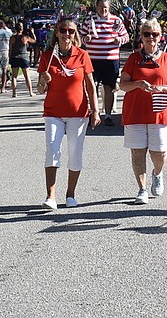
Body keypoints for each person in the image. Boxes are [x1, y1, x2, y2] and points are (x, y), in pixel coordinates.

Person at [36, 17, 101, 210]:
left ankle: (70, 194)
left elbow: (90, 85)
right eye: (63, 30)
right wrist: (43, 81)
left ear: (75, 34)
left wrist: (95, 111)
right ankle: (50, 196)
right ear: (56, 33)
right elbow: (40, 90)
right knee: (52, 151)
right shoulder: (48, 56)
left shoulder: (82, 55)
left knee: (75, 154)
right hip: (53, 112)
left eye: (71, 31)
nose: (67, 34)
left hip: (78, 113)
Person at [119, 18, 167, 204]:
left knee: (159, 152)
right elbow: (122, 85)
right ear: (141, 38)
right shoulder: (133, 59)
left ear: (160, 37)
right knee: (138, 152)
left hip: (159, 111)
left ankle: (157, 173)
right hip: (135, 112)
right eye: (147, 34)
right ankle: (142, 189)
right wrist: (137, 84)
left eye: (155, 34)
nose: (151, 38)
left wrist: (161, 88)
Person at [79, 0, 130, 126]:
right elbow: (80, 36)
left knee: (109, 87)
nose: (103, 10)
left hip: (110, 59)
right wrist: (86, 39)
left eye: (106, 7)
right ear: (96, 8)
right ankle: (93, 113)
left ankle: (108, 115)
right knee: (92, 86)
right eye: (101, 7)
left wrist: (120, 40)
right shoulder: (89, 20)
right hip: (93, 59)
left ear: (109, 7)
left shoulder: (116, 21)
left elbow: (126, 36)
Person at [9, 22, 35, 97]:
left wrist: (10, 57)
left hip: (14, 57)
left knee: (14, 76)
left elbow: (10, 49)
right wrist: (32, 32)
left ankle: (14, 93)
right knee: (27, 76)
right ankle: (30, 92)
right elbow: (34, 40)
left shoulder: (12, 38)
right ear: (22, 28)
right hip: (24, 57)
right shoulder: (25, 37)